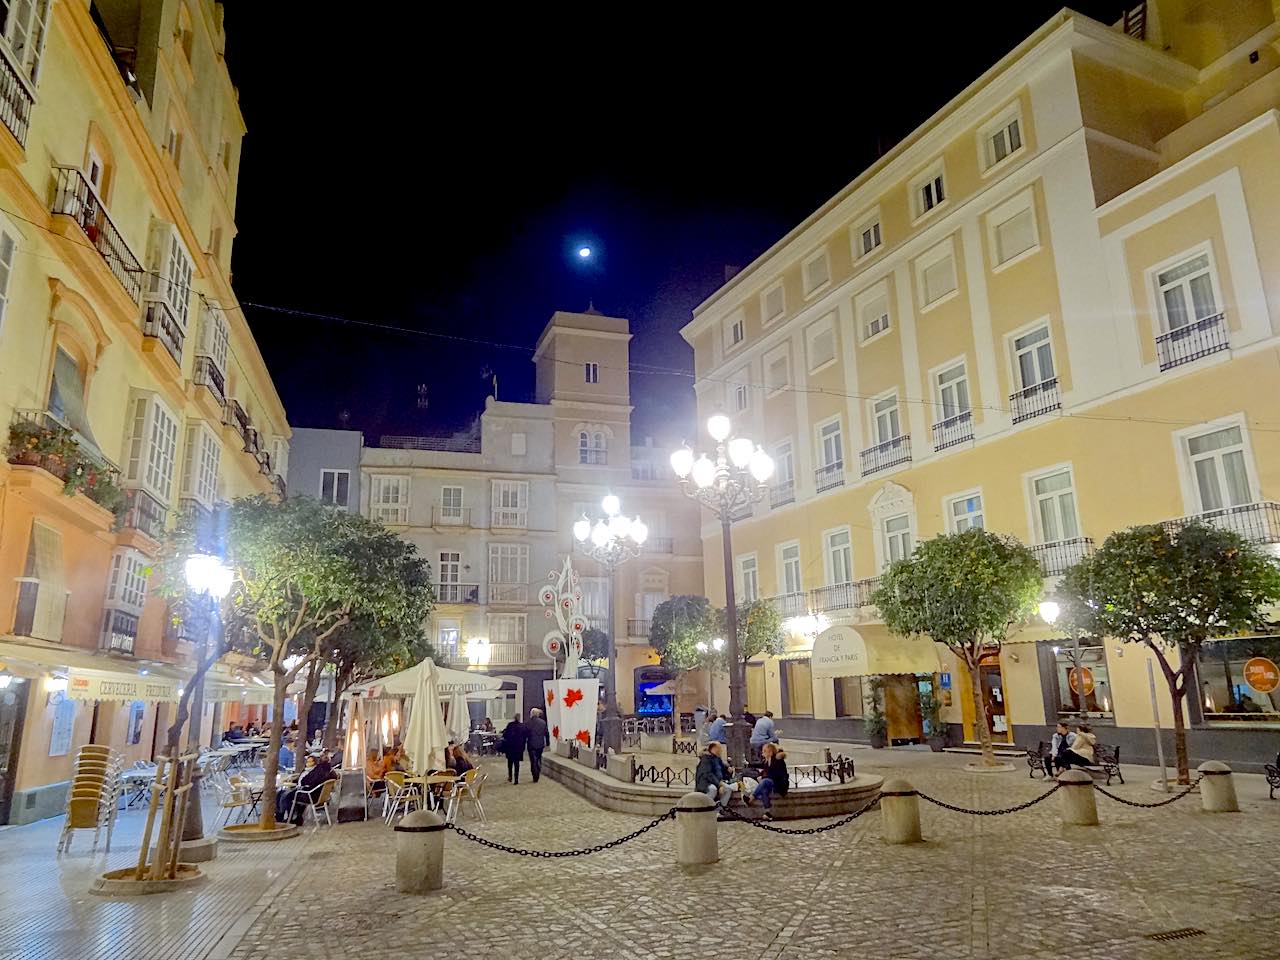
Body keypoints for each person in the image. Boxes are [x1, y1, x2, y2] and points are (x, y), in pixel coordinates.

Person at [277, 750, 338, 826]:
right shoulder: (329, 771)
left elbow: (305, 781)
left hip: (312, 796)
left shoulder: (318, 771)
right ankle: (296, 817)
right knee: (290, 794)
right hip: (319, 796)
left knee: (289, 796)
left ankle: (290, 818)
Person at [744, 743, 788, 820]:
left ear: (770, 752)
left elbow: (777, 775)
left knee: (765, 781)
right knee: (764, 790)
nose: (762, 753)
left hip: (779, 784)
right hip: (771, 784)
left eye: (764, 751)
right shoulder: (767, 761)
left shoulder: (778, 761)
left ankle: (751, 798)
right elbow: (763, 769)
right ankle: (768, 812)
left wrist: (763, 777)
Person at [695, 741, 734, 810]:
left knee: (728, 789)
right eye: (720, 748)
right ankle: (704, 808)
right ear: (715, 748)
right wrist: (719, 785)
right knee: (713, 789)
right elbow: (708, 774)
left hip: (716, 782)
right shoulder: (706, 759)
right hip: (706, 783)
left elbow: (721, 770)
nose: (721, 750)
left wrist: (728, 770)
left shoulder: (717, 758)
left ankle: (718, 810)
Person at [501, 714, 529, 784]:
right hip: (518, 747)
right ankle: (516, 779)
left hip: (510, 746)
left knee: (510, 763)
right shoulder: (522, 726)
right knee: (517, 763)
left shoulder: (510, 725)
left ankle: (510, 777)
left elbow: (505, 735)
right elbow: (526, 736)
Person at [526, 707, 550, 783]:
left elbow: (525, 734)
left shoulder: (528, 722)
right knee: (538, 758)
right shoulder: (543, 722)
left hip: (531, 744)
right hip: (540, 744)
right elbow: (546, 733)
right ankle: (538, 770)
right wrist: (548, 743)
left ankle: (535, 775)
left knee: (533, 760)